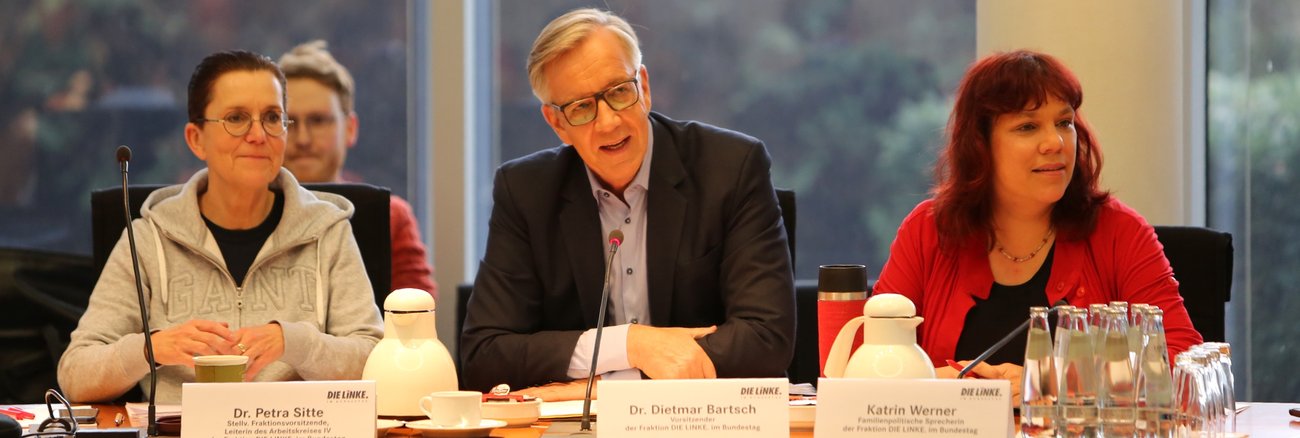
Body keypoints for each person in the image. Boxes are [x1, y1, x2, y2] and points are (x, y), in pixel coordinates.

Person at [460, 8, 795, 399]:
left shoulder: (731, 168)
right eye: (581, 107)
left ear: (645, 87)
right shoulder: (527, 192)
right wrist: (630, 344)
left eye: (619, 92)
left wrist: (609, 386)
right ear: (557, 124)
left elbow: (766, 340)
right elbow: (485, 355)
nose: (609, 123)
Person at [57, 50, 383, 404]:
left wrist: (295, 343)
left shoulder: (328, 231)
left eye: (273, 117)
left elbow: (377, 361)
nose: (258, 134)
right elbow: (76, 374)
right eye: (236, 118)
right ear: (196, 139)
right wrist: (151, 348)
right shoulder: (148, 238)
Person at [873, 50, 1203, 397]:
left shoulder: (1120, 231)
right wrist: (931, 382)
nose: (1055, 143)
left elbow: (1183, 366)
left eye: (1064, 123)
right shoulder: (928, 230)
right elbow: (863, 367)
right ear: (980, 145)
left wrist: (1050, 383)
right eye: (1028, 127)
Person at [277, 40, 438, 298]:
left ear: (350, 128)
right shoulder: (243, 212)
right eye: (288, 122)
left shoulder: (391, 216)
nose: (303, 138)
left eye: (318, 121)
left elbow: (416, 322)